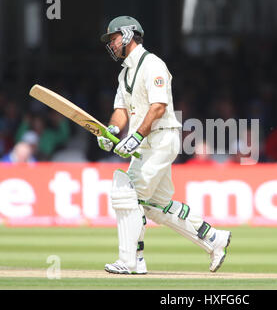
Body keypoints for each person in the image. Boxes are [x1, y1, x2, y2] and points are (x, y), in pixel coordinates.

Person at [98, 16, 231, 275]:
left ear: (127, 35)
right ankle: (214, 239)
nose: (111, 44)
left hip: (160, 138)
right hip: (146, 142)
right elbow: (120, 110)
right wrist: (112, 130)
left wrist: (135, 136)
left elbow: (158, 107)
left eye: (113, 38)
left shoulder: (153, 64)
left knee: (128, 193)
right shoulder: (125, 72)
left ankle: (130, 261)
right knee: (156, 206)